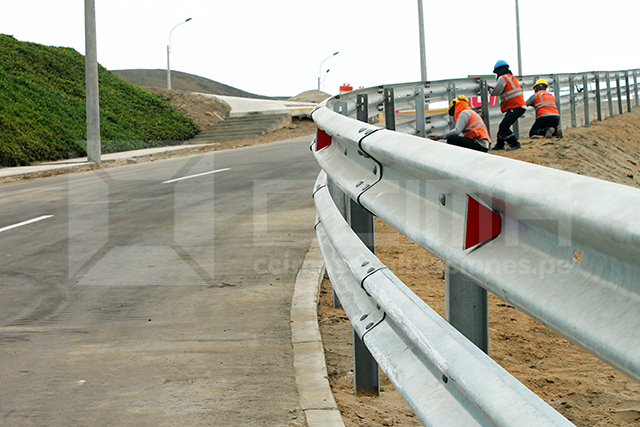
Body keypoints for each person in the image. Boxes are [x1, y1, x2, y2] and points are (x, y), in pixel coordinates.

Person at [489, 60, 526, 151]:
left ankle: (515, 144)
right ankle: (499, 144)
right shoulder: (511, 77)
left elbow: (496, 92)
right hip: (519, 106)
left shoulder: (502, 78)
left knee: (504, 127)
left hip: (515, 106)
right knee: (503, 125)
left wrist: (489, 89)